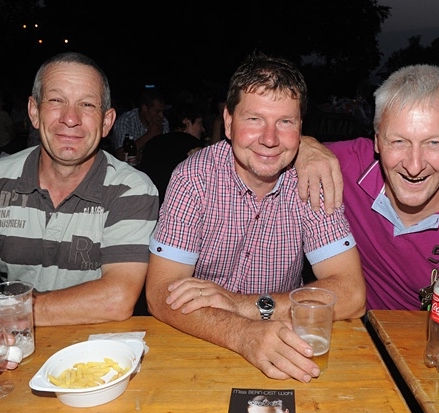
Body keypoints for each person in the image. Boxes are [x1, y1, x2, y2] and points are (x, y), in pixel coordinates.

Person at [145, 52, 366, 383]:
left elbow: (351, 294)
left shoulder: (311, 178)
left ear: (301, 128)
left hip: (287, 345)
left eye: (285, 122)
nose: (270, 139)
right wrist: (242, 333)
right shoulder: (194, 177)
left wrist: (244, 306)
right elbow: (160, 294)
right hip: (201, 341)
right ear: (228, 122)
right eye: (254, 119)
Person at [0, 52, 159, 357]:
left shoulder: (132, 190)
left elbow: (116, 299)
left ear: (107, 122)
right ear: (34, 112)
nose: (70, 118)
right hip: (14, 346)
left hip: (99, 353)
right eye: (56, 100)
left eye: (87, 105)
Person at [304, 64, 439, 310]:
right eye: (398, 141)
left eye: (434, 143)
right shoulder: (342, 166)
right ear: (377, 141)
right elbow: (281, 145)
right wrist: (305, 146)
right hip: (358, 327)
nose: (414, 166)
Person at [139, 101, 205, 204]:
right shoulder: (194, 146)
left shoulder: (153, 142)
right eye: (200, 123)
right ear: (187, 122)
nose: (203, 129)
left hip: (148, 203)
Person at [110, 87, 170, 163]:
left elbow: (165, 153)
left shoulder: (163, 122)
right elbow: (120, 155)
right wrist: (149, 135)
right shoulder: (126, 121)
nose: (161, 116)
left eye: (162, 112)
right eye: (157, 111)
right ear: (144, 108)